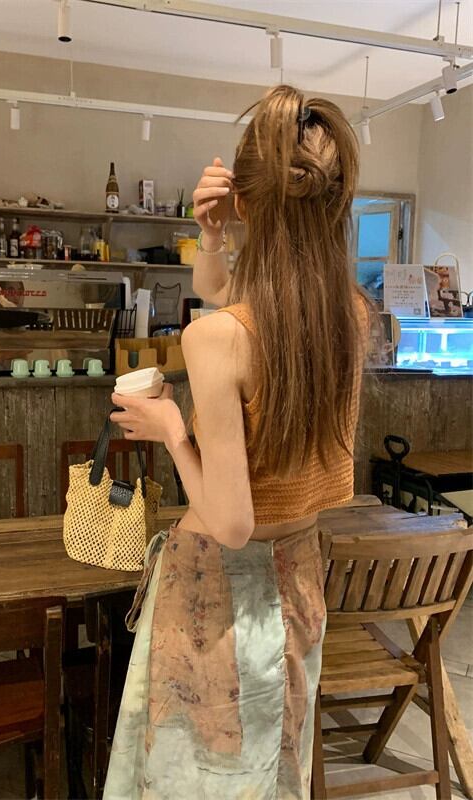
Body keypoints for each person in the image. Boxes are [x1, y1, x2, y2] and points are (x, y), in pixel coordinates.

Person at [104, 84, 371, 800]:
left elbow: (230, 522)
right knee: (273, 772)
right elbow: (237, 298)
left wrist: (172, 430)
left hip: (213, 591)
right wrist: (213, 239)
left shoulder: (217, 339)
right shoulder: (350, 315)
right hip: (299, 579)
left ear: (245, 199)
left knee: (192, 781)